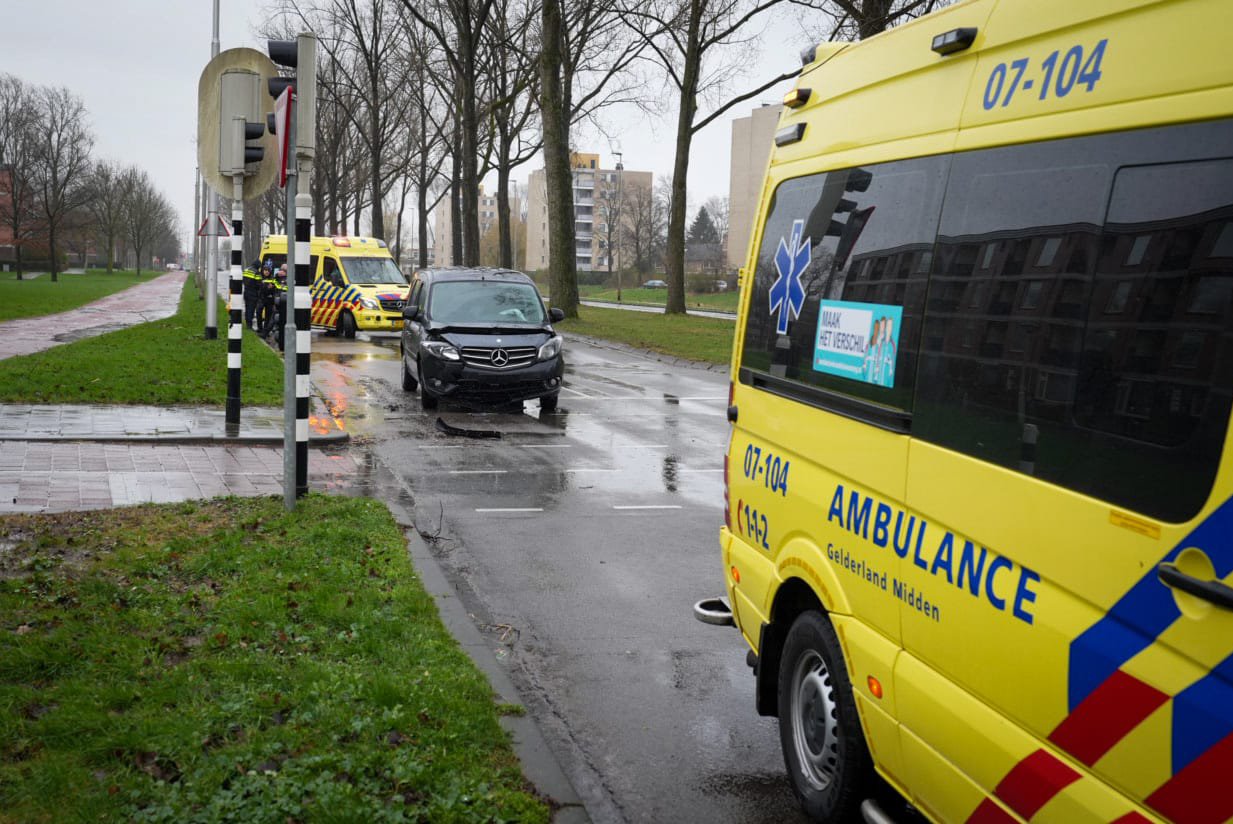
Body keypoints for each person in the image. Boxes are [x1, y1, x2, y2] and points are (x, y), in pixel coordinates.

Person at [243, 259, 263, 330]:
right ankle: (249, 326)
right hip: (253, 293)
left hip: (246, 292)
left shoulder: (246, 270)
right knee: (251, 309)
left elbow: (243, 280)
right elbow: (259, 284)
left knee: (247, 308)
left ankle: (247, 323)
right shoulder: (257, 272)